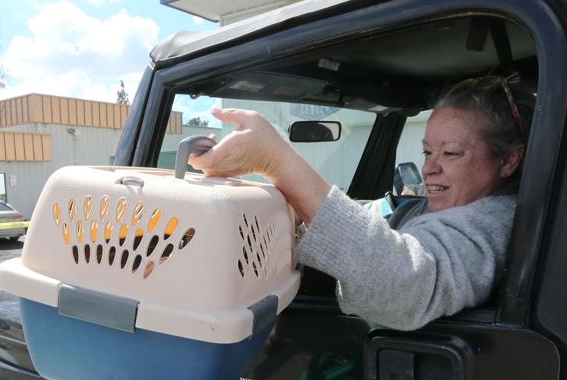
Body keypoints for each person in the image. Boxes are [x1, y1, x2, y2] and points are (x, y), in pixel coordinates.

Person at [189, 75, 535, 331]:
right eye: (428, 151)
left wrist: (277, 163)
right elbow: (372, 215)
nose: (430, 167)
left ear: (508, 162)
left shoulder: (496, 221)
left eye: (451, 153)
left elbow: (406, 286)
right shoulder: (442, 205)